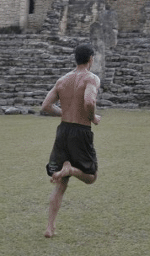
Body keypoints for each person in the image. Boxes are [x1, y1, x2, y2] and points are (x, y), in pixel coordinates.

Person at [40, 43, 101, 238]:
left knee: (61, 184)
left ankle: (50, 227)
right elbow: (89, 101)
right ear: (90, 59)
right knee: (91, 177)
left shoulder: (62, 80)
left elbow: (46, 106)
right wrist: (92, 117)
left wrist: (64, 112)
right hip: (81, 131)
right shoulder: (91, 78)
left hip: (63, 131)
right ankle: (72, 169)